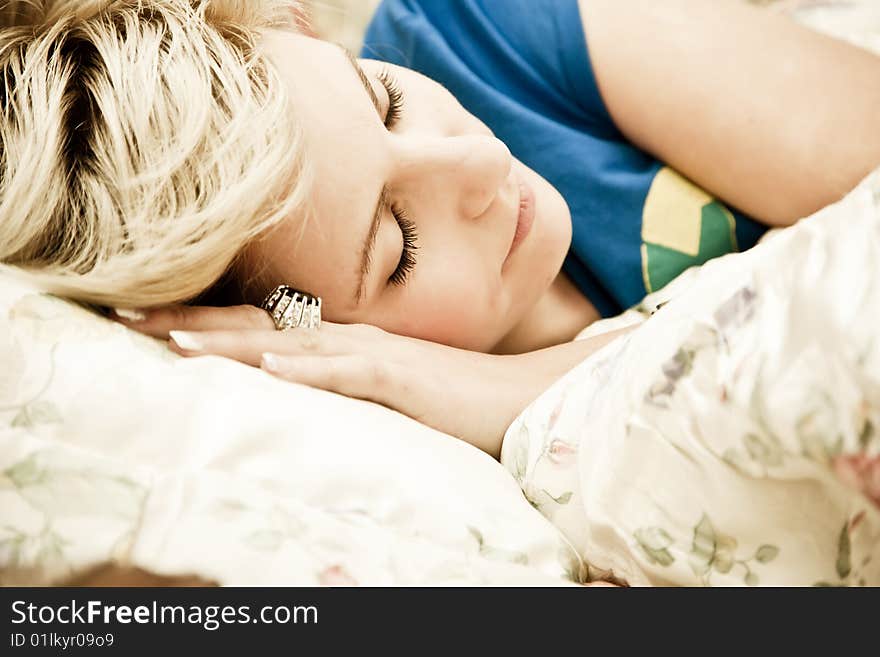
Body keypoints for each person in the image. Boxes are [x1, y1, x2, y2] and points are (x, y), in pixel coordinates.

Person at [1, 3, 878, 480]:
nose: (478, 161)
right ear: (312, 330)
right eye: (397, 243)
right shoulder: (415, 447)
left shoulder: (487, 29)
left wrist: (510, 380)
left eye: (387, 100)